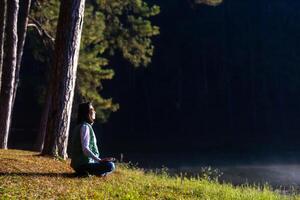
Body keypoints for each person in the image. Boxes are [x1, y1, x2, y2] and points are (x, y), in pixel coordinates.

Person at [70, 102, 115, 176]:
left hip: (82, 164)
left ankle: (92, 173)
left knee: (107, 164)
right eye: (92, 110)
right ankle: (89, 173)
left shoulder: (80, 126)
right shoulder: (85, 127)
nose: (94, 111)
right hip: (82, 165)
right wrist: (99, 160)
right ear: (87, 113)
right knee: (110, 165)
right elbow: (85, 149)